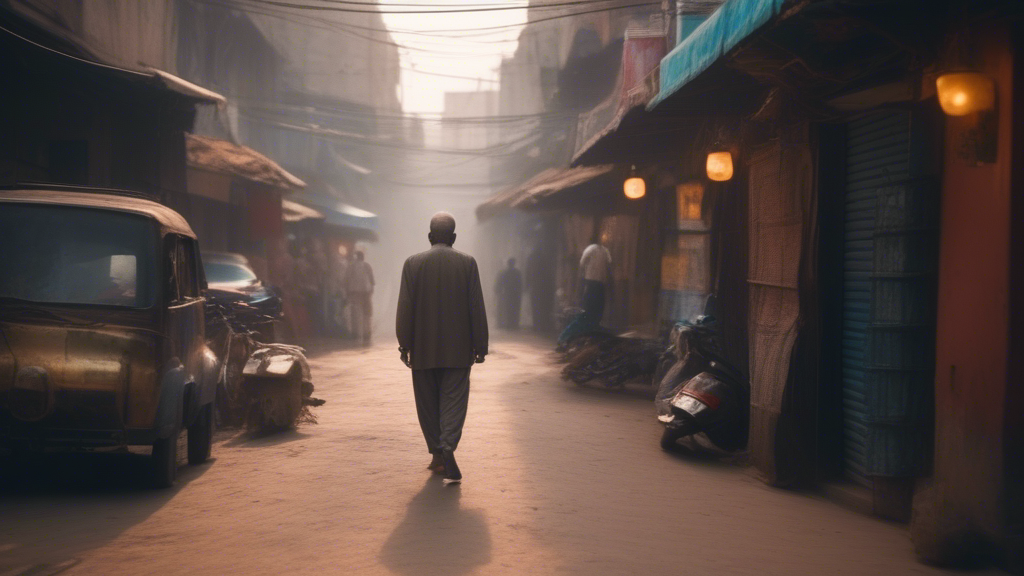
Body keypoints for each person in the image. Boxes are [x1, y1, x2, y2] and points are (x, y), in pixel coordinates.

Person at [397, 212, 488, 484]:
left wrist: (405, 344)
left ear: (429, 236)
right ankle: (447, 447)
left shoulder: (412, 264)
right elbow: (476, 307)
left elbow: (405, 309)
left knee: (427, 405)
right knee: (453, 402)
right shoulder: (467, 263)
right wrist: (480, 344)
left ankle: (437, 455)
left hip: (422, 349)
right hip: (459, 350)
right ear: (454, 237)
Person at [557, 233, 612, 347]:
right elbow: (608, 266)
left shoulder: (593, 249)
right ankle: (565, 337)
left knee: (592, 314)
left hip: (593, 283)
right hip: (596, 284)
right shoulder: (602, 251)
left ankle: (573, 339)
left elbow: (582, 264)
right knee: (591, 314)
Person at [346, 250, 374, 346]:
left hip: (354, 292)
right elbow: (372, 280)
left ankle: (356, 334)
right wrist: (371, 290)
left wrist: (347, 292)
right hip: (366, 292)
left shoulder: (351, 266)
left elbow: (347, 279)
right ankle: (367, 334)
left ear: (356, 257)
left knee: (356, 314)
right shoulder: (367, 265)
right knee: (367, 314)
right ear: (362, 257)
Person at [495, 257, 522, 330]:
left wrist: (498, 290)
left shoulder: (505, 273)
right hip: (515, 294)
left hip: (508, 294)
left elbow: (500, 283)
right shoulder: (517, 273)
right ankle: (514, 324)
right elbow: (520, 284)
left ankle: (509, 324)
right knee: (514, 309)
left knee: (508, 309)